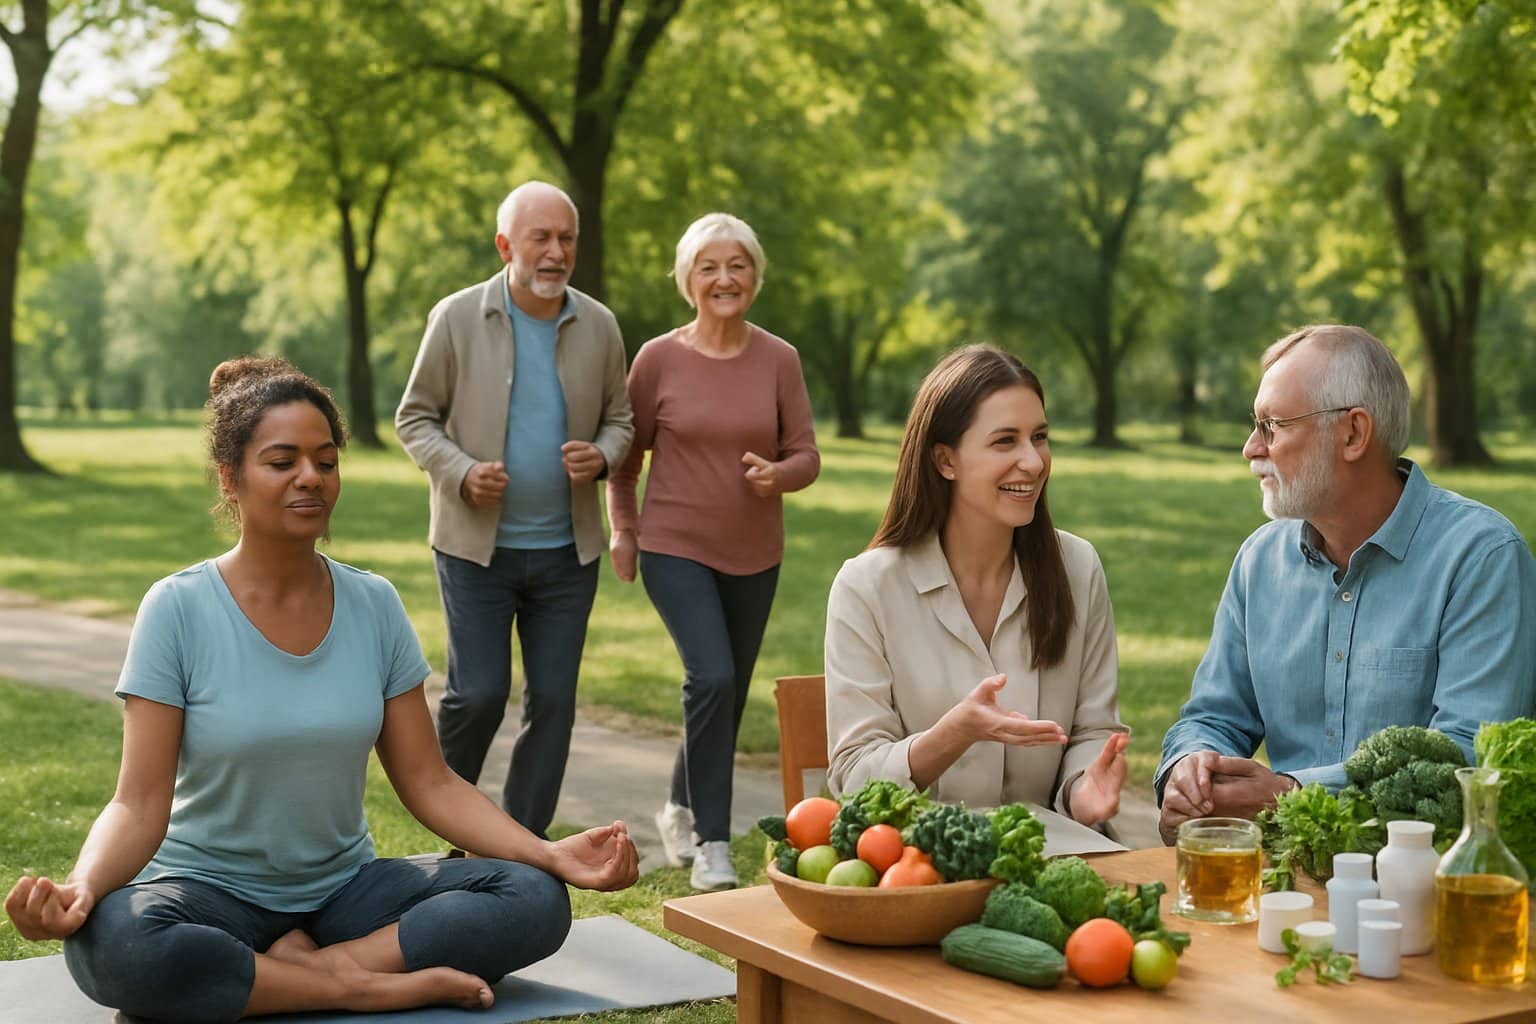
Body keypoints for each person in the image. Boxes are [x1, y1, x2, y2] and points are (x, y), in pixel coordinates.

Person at [3, 357, 638, 1023]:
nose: (310, 477)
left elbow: (429, 782)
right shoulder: (177, 609)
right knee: (118, 945)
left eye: (325, 461)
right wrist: (83, 887)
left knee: (535, 897)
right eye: (282, 461)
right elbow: (137, 804)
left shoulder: (373, 604)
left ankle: (309, 969)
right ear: (231, 478)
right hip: (207, 893)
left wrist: (547, 853)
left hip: (345, 896)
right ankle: (364, 987)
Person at [1156, 324, 1536, 844]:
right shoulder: (1258, 560)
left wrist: (1293, 794)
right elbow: (1214, 715)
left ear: (1354, 434)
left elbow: (1468, 758)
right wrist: (1189, 768)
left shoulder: (1481, 557)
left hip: (1426, 887)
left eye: (1272, 425)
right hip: (1285, 882)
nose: (1250, 449)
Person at [395, 181, 633, 840]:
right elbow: (413, 418)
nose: (557, 252)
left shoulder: (601, 325)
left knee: (553, 702)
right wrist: (461, 471)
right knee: (477, 695)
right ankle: (449, 819)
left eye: (567, 239)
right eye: (542, 238)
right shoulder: (456, 317)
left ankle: (520, 845)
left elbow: (622, 418)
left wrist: (605, 455)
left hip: (566, 554)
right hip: (477, 551)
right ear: (506, 246)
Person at [824, 345, 1130, 825]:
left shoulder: (1077, 567)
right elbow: (852, 778)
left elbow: (1092, 731)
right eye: (1005, 441)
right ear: (946, 460)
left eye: (1040, 437)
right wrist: (953, 734)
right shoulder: (867, 587)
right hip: (919, 867)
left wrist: (1082, 791)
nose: (1033, 461)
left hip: (1055, 853)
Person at [607, 213, 819, 890]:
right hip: (674, 544)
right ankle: (712, 846)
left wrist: (779, 475)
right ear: (687, 280)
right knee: (713, 679)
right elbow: (625, 458)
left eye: (737, 265)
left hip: (756, 550)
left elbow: (807, 453)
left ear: (755, 276)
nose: (724, 278)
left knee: (723, 695)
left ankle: (677, 803)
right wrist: (624, 529)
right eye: (709, 266)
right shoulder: (658, 359)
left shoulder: (778, 358)